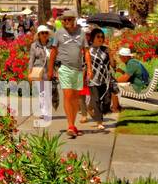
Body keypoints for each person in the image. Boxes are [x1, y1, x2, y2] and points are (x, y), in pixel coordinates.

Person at [48, 10, 87, 138]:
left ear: (74, 20)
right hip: (64, 68)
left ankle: (73, 124)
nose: (66, 22)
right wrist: (50, 69)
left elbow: (86, 51)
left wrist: (90, 69)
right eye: (64, 20)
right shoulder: (59, 33)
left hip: (78, 69)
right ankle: (70, 125)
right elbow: (53, 51)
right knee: (68, 95)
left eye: (69, 19)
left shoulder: (81, 33)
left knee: (75, 99)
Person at [86, 26, 115, 130]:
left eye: (102, 37)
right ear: (93, 37)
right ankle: (100, 122)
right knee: (97, 100)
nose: (100, 39)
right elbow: (84, 64)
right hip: (93, 80)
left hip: (105, 80)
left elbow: (112, 65)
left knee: (106, 101)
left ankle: (89, 107)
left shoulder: (105, 49)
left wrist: (111, 55)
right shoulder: (88, 50)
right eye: (98, 36)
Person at [27, 24, 54, 121]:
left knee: (49, 93)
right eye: (42, 33)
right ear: (38, 35)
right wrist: (29, 72)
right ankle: (44, 112)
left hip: (49, 71)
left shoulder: (51, 46)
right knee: (42, 93)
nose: (44, 35)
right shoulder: (34, 46)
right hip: (38, 71)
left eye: (46, 33)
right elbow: (31, 59)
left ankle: (46, 110)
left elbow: (55, 59)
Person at [112, 45, 150, 111]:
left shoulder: (131, 63)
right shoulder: (132, 61)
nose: (120, 58)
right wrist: (121, 71)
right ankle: (117, 107)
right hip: (141, 84)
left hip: (138, 87)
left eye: (120, 56)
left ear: (125, 57)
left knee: (114, 87)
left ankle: (115, 108)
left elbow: (125, 78)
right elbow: (130, 76)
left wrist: (114, 81)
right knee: (115, 84)